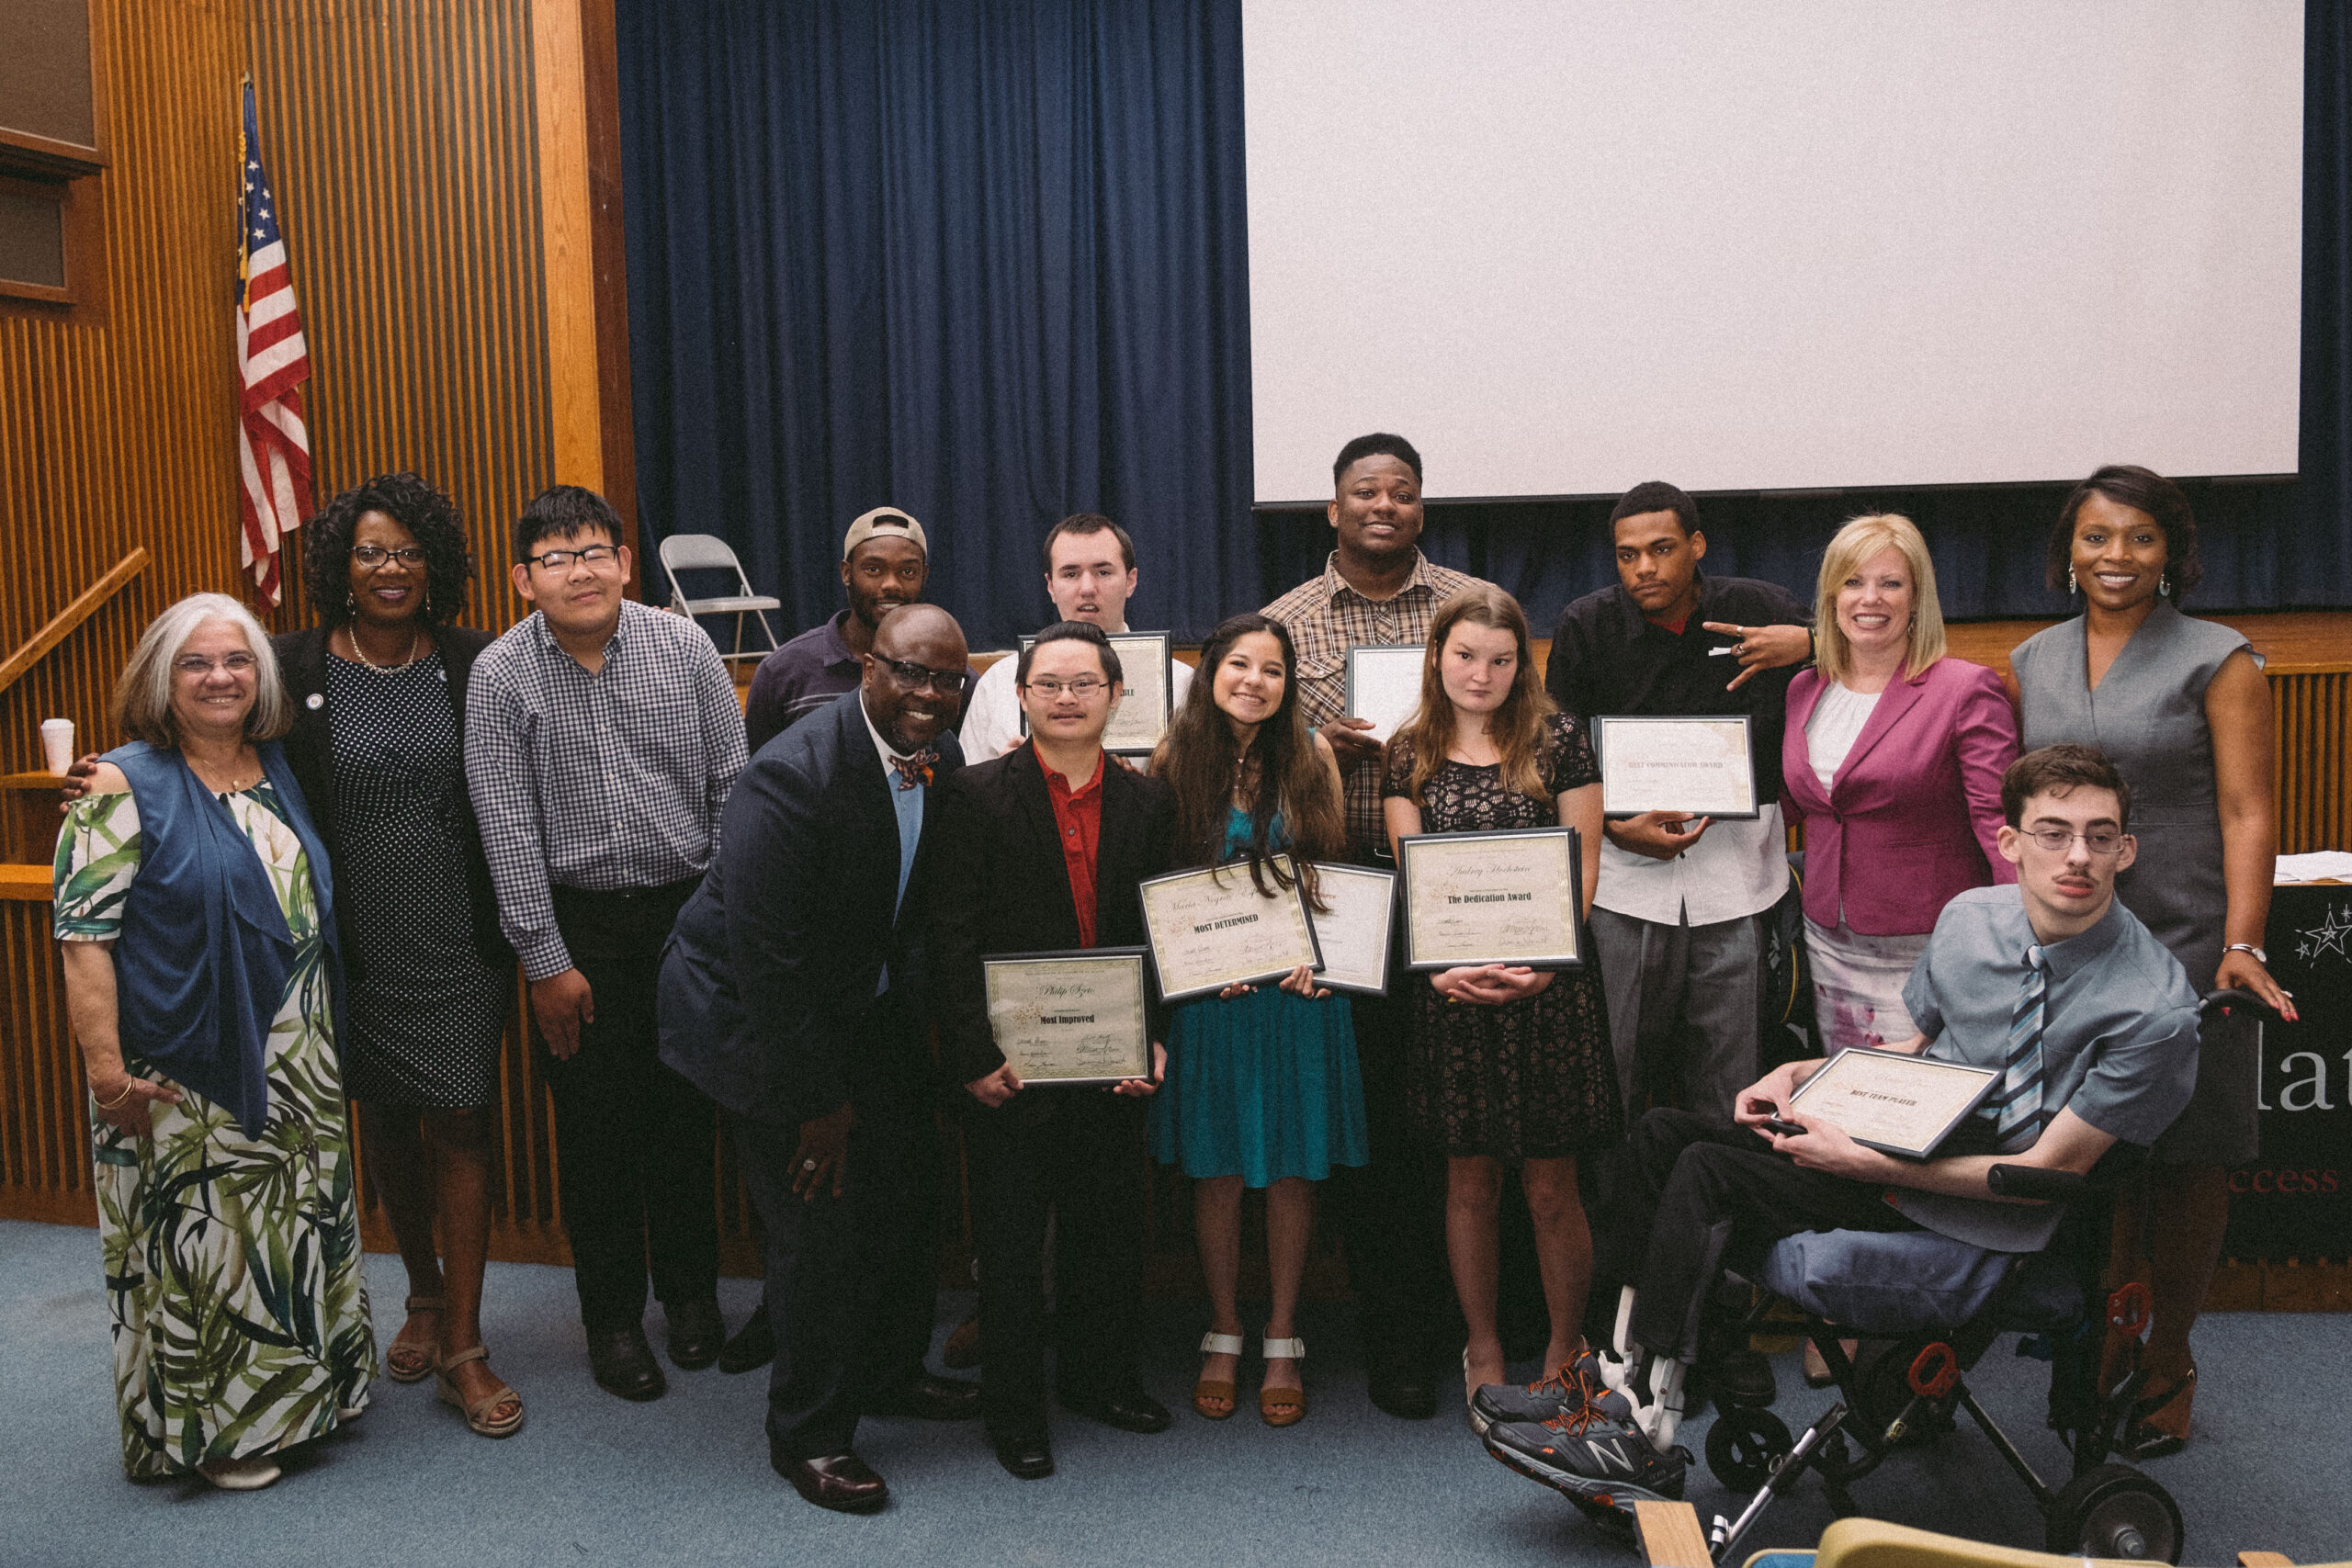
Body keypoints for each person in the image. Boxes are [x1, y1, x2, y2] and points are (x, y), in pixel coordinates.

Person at [1483, 744, 2202, 1509]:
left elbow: (2044, 1177)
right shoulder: (1970, 918)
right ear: (2010, 842)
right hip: (1904, 1143)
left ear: (2127, 848)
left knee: (1707, 1170)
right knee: (1661, 1134)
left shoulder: (2153, 1007)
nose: (2079, 857)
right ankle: (1604, 1382)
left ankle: (1641, 1424)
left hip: (1985, 1207)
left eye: (2101, 835)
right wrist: (1799, 1076)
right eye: (2053, 832)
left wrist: (1862, 1162)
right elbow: (1910, 1048)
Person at [660, 604, 981, 1512]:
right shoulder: (790, 776)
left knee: (908, 1195)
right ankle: (809, 1435)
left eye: (946, 680)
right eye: (908, 672)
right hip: (755, 1018)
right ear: (867, 669)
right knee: (817, 1230)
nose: (927, 693)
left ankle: (886, 1374)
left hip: (856, 1002)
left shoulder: (940, 756)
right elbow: (770, 959)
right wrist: (817, 1103)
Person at [54, 593, 375, 1490]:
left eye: (237, 660)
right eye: (196, 663)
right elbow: (84, 945)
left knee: (289, 1227)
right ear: (162, 679)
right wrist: (107, 1075)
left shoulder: (272, 764)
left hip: (299, 1051)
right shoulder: (119, 785)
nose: (220, 677)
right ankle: (227, 1433)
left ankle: (309, 1399)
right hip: (189, 1057)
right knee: (216, 1243)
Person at [2010, 465, 2296, 1456]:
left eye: (2137, 538)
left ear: (2169, 550)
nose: (2115, 557)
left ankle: (2167, 1355)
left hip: (2185, 946)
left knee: (2185, 1158)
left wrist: (2241, 943)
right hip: (2072, 948)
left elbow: (2246, 808)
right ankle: (2100, 1339)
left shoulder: (2220, 658)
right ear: (2068, 550)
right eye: (2095, 538)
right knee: (2092, 1158)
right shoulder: (2031, 658)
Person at [465, 485, 746, 1402]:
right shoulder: (502, 674)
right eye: (554, 557)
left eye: (593, 552)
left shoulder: (685, 646)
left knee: (684, 1118)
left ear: (626, 562)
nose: (578, 571)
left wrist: (720, 925)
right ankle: (614, 1320)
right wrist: (545, 964)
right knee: (594, 1135)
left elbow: (731, 790)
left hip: (686, 915)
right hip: (575, 927)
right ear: (521, 579)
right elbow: (504, 829)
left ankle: (692, 1301)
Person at [1261, 431, 1489, 1419]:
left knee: (1465, 1116)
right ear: (1332, 509)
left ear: (1422, 507)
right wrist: (1315, 747)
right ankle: (1396, 1336)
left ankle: (1478, 1322)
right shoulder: (1284, 622)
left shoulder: (1473, 610)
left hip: (1461, 894)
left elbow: (1521, 732)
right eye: (1365, 492)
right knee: (1379, 1126)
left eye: (1401, 491)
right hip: (1339, 894)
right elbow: (1247, 752)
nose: (1383, 506)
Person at [931, 621, 1181, 1478]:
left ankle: (1098, 1379)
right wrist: (972, 1054)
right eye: (1049, 684)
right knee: (1007, 1242)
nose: (1067, 697)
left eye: (1085, 683)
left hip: (1113, 1062)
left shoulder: (1152, 802)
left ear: (1117, 694)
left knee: (1105, 1230)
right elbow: (949, 936)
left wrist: (1154, 1037)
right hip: (1010, 1066)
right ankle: (1015, 1410)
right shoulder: (971, 794)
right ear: (1021, 696)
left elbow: (1162, 933)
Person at [1380, 586, 1621, 1409]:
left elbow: (1584, 870)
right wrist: (1439, 966)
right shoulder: (1407, 749)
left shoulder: (1560, 741)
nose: (1480, 673)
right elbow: (1415, 881)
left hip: (1549, 993)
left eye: (1500, 658)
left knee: (1553, 1184)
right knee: (1469, 1181)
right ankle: (1481, 1339)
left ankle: (1563, 1340)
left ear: (1523, 664)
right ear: (1437, 657)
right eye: (1464, 656)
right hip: (1451, 993)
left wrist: (1548, 963)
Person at [1148, 612, 1367, 1427]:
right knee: (1218, 1164)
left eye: (1272, 670)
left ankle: (1281, 1331)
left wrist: (1321, 952)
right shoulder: (1173, 760)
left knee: (1291, 1165)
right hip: (1216, 1000)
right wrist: (1201, 966)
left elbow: (1332, 874)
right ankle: (1224, 1326)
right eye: (1239, 665)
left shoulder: (1312, 757)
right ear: (1211, 673)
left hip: (1298, 993)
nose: (1254, 681)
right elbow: (1160, 883)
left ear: (1289, 684)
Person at [1544, 480, 1810, 1122]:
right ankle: (1619, 1222)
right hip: (1624, 884)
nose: (1645, 568)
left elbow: (1880, 643)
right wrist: (1611, 828)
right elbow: (1554, 751)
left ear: (1696, 545)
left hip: (1738, 880)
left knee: (1732, 1081)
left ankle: (1721, 1218)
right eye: (1627, 554)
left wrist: (1811, 644)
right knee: (1616, 1075)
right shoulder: (1587, 624)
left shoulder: (1760, 606)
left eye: (1661, 549)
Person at [1781, 513, 2018, 1056]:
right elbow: (1800, 802)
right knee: (1845, 1100)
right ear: (1831, 597)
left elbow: (1999, 823)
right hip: (1829, 942)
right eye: (1854, 582)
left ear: (1917, 599)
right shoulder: (1804, 688)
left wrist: (2016, 935)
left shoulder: (1964, 689)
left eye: (1891, 583)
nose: (1871, 599)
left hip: (1929, 944)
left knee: (1915, 1108)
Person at [957, 513, 1194, 760]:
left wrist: (1154, 781)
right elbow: (968, 788)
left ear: (1130, 581)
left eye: (1103, 572)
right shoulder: (1000, 682)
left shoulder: (1181, 683)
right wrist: (1003, 775)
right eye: (1070, 574)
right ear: (1051, 586)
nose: (1087, 589)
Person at [743, 506, 933, 753]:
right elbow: (758, 777)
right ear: (846, 573)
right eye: (873, 569)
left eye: (907, 571)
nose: (891, 584)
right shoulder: (782, 673)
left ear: (924, 576)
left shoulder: (947, 676)